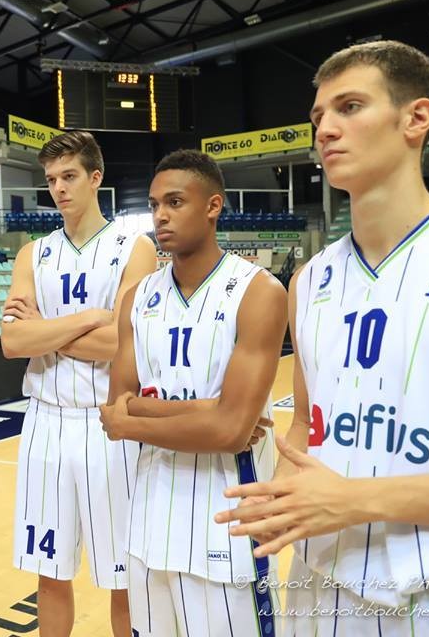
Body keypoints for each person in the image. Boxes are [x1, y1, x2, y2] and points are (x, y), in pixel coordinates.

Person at [215, 40, 429, 635]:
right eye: (318, 116)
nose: (325, 129)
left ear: (416, 118)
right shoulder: (309, 280)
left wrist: (356, 500)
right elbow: (304, 424)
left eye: (350, 107)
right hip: (316, 588)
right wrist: (281, 497)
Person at [98, 149, 286, 636]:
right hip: (149, 521)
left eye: (175, 202)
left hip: (227, 525)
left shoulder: (259, 291)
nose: (160, 215)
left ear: (213, 206)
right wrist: (209, 410)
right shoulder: (137, 298)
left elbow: (229, 432)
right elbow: (115, 409)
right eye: (155, 204)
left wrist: (137, 417)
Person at [0, 130, 158, 636]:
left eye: (69, 176)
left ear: (95, 178)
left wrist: (45, 330)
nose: (59, 188)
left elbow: (123, 342)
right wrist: (90, 318)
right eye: (51, 180)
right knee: (49, 573)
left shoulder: (135, 248)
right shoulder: (32, 253)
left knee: (124, 576)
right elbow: (12, 342)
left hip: (109, 424)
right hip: (45, 423)